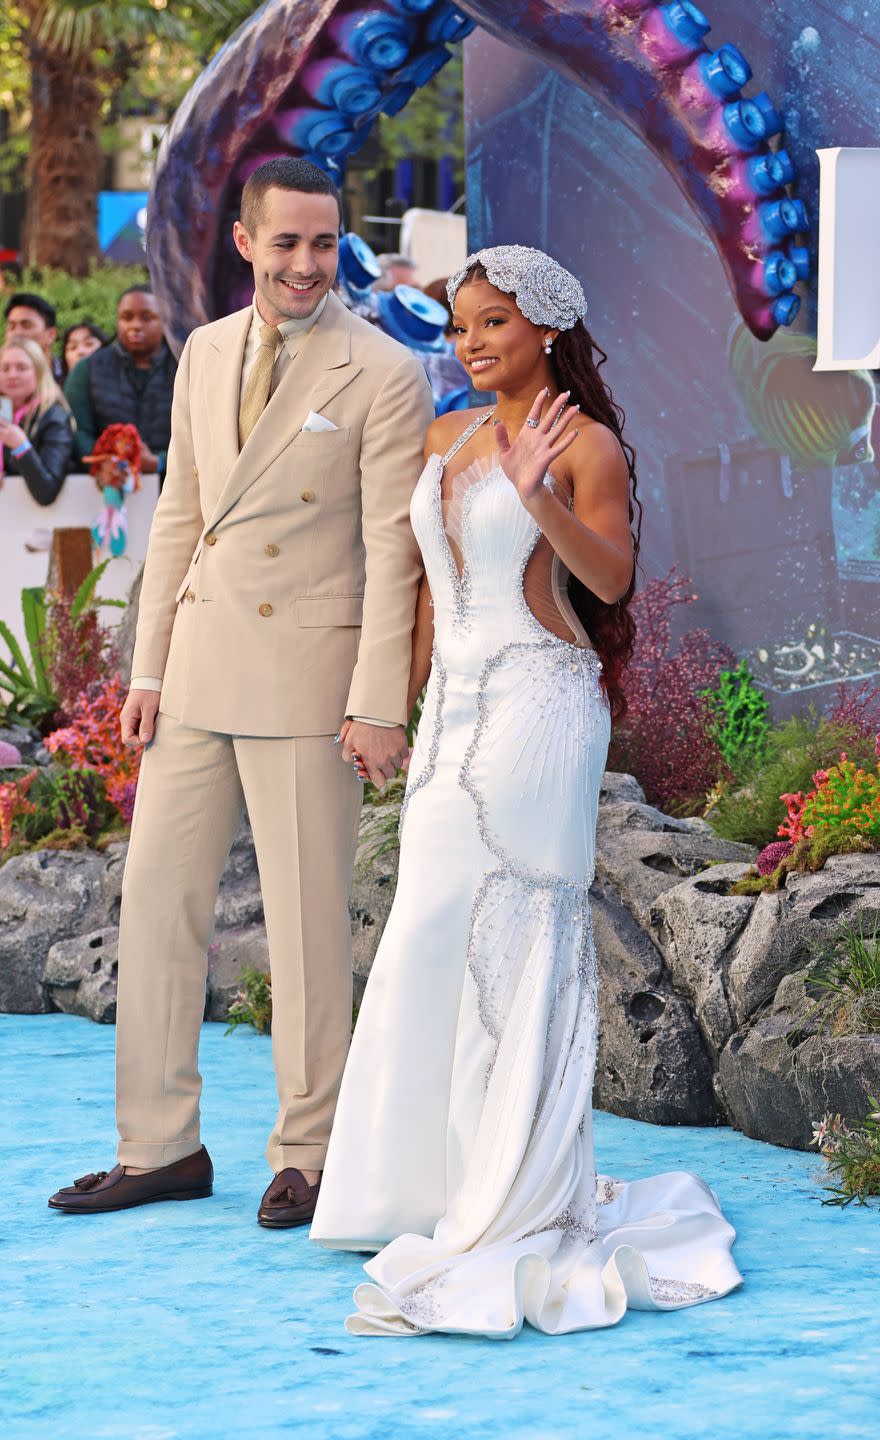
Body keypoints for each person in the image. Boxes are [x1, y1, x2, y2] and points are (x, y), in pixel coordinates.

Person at [310, 246, 742, 1337]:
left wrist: (540, 494)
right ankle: (414, 1185)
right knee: (425, 929)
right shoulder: (441, 434)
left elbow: (609, 580)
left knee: (518, 937)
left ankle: (517, 1187)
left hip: (540, 709)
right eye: (461, 325)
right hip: (453, 713)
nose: (472, 343)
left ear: (544, 330)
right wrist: (390, 710)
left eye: (494, 323)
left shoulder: (583, 442)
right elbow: (418, 597)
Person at [47, 158, 434, 1225]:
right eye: (287, 243)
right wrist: (150, 667)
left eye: (324, 243)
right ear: (245, 242)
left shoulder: (386, 371)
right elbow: (180, 518)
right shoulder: (206, 349)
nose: (306, 263)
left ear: (340, 243)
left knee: (310, 932)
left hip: (312, 682)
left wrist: (377, 703)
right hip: (199, 671)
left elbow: (389, 551)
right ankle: (159, 1146)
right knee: (155, 912)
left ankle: (311, 1153)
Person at [65, 286, 177, 481]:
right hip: (108, 490)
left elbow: (202, 436)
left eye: (147, 317)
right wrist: (102, 463)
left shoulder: (186, 364)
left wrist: (160, 461)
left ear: (165, 320)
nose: (135, 325)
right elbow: (78, 431)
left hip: (177, 488)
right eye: (127, 317)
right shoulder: (88, 370)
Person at [0, 336, 74, 506]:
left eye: (21, 368)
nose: (12, 375)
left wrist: (21, 446)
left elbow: (47, 491)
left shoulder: (54, 416)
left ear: (38, 372)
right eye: (5, 368)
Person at [5, 291, 62, 379]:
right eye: (12, 327)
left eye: (26, 325)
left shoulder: (74, 378)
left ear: (51, 335)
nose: (17, 333)